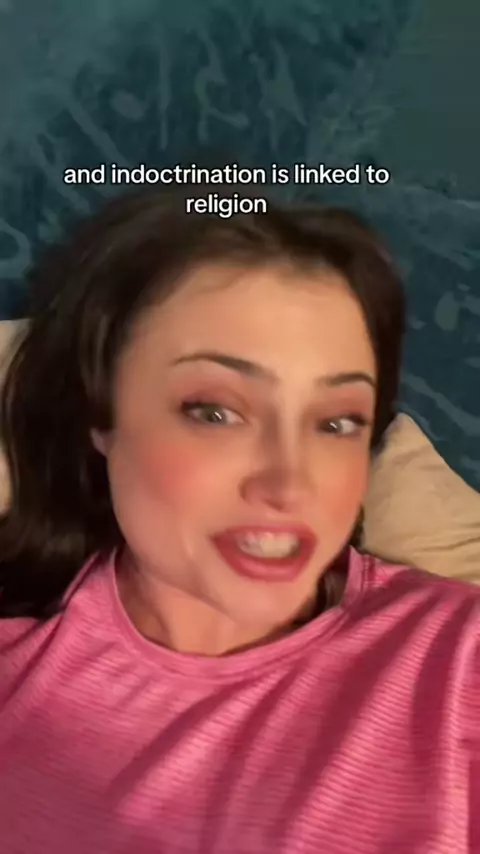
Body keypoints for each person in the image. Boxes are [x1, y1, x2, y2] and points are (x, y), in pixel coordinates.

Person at [0, 187, 477, 854]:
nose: (290, 485)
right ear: (100, 413)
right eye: (216, 411)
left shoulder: (458, 666)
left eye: (337, 422)